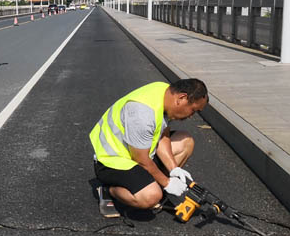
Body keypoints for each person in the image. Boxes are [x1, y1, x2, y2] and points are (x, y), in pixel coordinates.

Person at [89, 79, 208, 215]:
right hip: (113, 161)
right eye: (193, 110)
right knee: (151, 196)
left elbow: (162, 134)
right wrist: (167, 183)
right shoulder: (142, 113)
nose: (191, 116)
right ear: (181, 98)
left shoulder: (165, 92)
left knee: (186, 141)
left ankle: (151, 185)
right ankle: (108, 190)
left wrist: (174, 169)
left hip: (138, 152)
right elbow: (141, 160)